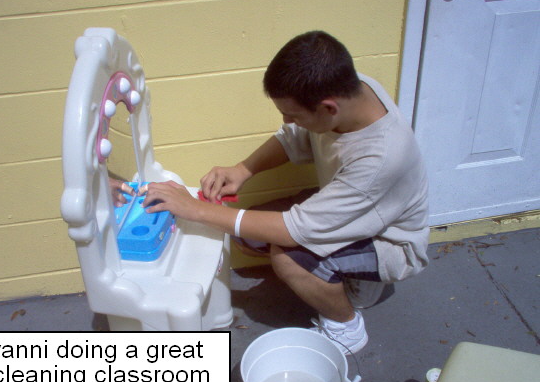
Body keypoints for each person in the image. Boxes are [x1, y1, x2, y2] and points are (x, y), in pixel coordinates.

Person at [123, 31, 429, 355]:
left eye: (293, 115)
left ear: (328, 108)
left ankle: (347, 325)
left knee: (287, 258)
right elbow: (294, 136)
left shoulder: (381, 157)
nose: (286, 120)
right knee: (250, 234)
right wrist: (242, 170)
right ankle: (343, 279)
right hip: (362, 206)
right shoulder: (352, 89)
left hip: (389, 241)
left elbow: (294, 229)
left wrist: (195, 209)